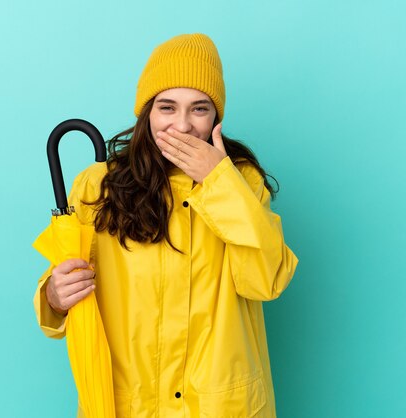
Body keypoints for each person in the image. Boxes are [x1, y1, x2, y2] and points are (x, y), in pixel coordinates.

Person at [34, 33, 299, 417]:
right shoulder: (97, 184)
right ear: (147, 113)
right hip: (129, 403)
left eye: (200, 109)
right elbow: (64, 284)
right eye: (167, 107)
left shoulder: (243, 182)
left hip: (218, 405)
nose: (183, 125)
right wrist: (54, 298)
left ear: (216, 118)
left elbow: (265, 280)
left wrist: (219, 183)